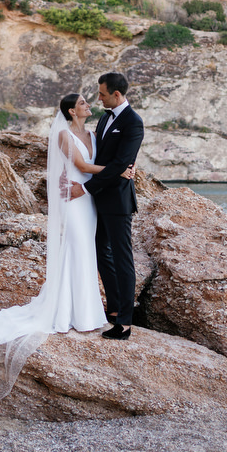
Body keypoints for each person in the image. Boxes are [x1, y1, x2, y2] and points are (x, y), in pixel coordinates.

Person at [0, 92, 134, 399]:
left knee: (88, 252)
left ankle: (87, 313)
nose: (89, 106)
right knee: (76, 249)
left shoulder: (92, 133)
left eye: (90, 102)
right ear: (71, 111)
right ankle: (68, 313)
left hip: (89, 201)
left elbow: (105, 158)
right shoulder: (64, 135)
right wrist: (119, 171)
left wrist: (124, 166)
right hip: (74, 202)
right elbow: (80, 166)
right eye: (84, 104)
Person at [69, 73, 144, 340]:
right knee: (101, 253)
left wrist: (86, 188)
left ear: (116, 94)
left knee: (123, 259)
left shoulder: (133, 122)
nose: (98, 98)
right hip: (98, 198)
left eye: (102, 94)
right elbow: (104, 158)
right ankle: (113, 309)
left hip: (117, 200)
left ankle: (124, 323)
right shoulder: (104, 118)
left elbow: (122, 162)